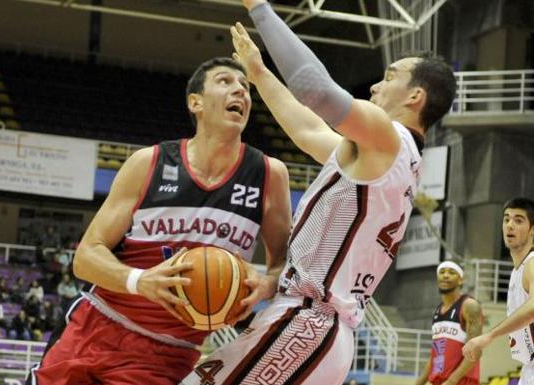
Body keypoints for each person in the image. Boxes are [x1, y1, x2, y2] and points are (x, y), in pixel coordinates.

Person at [181, 2, 456, 384]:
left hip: (309, 321)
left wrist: (259, 8)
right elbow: (309, 131)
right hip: (321, 330)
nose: (376, 85)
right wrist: (259, 74)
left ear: (415, 97)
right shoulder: (392, 160)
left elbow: (318, 92)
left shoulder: (387, 136)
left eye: (390, 76)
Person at [27, 57, 292, 385]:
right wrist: (140, 281)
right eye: (225, 81)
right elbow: (85, 258)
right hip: (96, 325)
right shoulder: (148, 163)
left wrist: (266, 284)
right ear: (195, 102)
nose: (240, 89)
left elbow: (285, 265)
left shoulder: (268, 174)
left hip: (168, 354)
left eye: (246, 87)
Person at [463, 198, 534, 385]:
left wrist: (489, 336)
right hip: (529, 369)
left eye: (519, 220)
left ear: (533, 230)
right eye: (506, 219)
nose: (510, 225)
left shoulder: (532, 264)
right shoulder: (516, 271)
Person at [416, 261, 482, 385]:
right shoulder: (437, 311)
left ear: (460, 280)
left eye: (451, 272)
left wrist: (451, 381)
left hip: (461, 381)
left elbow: (475, 351)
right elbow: (434, 355)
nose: (445, 275)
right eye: (442, 272)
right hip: (439, 380)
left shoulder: (469, 305)